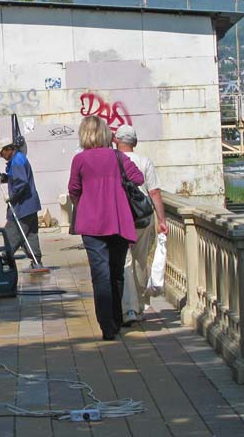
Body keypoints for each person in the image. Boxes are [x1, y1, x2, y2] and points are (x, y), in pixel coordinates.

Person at [67, 116, 144, 340]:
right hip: (119, 221)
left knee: (100, 275)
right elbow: (138, 178)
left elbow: (74, 189)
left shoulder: (79, 159)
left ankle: (107, 326)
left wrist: (84, 204)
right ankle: (117, 319)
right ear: (104, 133)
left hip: (91, 224)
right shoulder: (117, 156)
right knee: (116, 272)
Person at [114, 124, 168, 326]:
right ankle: (141, 305)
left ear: (116, 141)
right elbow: (154, 193)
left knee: (125, 262)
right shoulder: (145, 162)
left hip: (121, 218)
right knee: (140, 260)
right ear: (135, 142)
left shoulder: (113, 160)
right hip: (143, 218)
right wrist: (162, 220)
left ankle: (128, 308)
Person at [0, 137, 44, 269]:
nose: (1, 155)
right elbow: (15, 178)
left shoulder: (16, 162)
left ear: (9, 149)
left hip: (22, 206)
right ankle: (37, 262)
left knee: (12, 233)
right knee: (29, 234)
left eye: (2, 152)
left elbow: (21, 182)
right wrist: (2, 177)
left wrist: (12, 197)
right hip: (30, 205)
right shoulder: (18, 159)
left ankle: (5, 261)